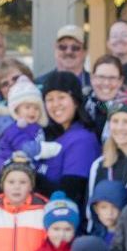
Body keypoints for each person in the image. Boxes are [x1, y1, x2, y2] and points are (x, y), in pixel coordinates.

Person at [39, 72, 101, 203]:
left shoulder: (82, 140)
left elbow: (69, 194)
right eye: (49, 99)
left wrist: (30, 177)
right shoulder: (47, 134)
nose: (55, 104)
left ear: (76, 101)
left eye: (61, 97)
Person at [90, 102, 127, 226]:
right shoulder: (100, 165)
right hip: (109, 233)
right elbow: (91, 212)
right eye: (115, 121)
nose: (120, 127)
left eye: (126, 122)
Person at [0, 77, 60, 170]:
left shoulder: (35, 126)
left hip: (28, 165)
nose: (32, 111)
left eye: (36, 108)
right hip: (10, 167)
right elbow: (26, 147)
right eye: (27, 107)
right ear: (16, 110)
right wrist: (52, 149)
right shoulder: (13, 129)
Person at [86, 56, 127, 138]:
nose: (106, 83)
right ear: (92, 78)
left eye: (112, 78)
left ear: (120, 81)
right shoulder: (82, 104)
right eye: (101, 77)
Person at [37, 24, 90, 91]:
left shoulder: (96, 85)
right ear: (55, 49)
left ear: (85, 52)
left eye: (75, 47)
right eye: (63, 47)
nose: (68, 52)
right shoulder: (39, 85)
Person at [88, 174, 127, 246]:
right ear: (96, 209)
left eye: (115, 207)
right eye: (104, 207)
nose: (109, 213)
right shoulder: (95, 236)